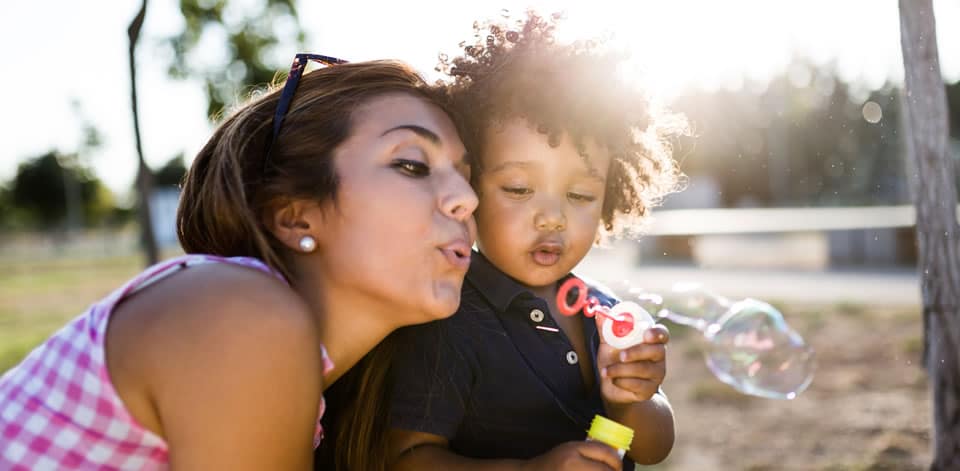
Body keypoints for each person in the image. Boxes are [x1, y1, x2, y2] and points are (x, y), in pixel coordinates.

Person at [0, 55, 477, 470]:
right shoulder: (239, 313)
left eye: (465, 175)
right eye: (412, 164)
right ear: (295, 216)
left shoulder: (315, 389)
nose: (466, 199)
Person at [383, 12, 687, 470]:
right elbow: (407, 459)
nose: (552, 218)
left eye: (581, 194)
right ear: (470, 189)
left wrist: (633, 401)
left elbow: (651, 447)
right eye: (519, 189)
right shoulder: (450, 317)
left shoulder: (608, 316)